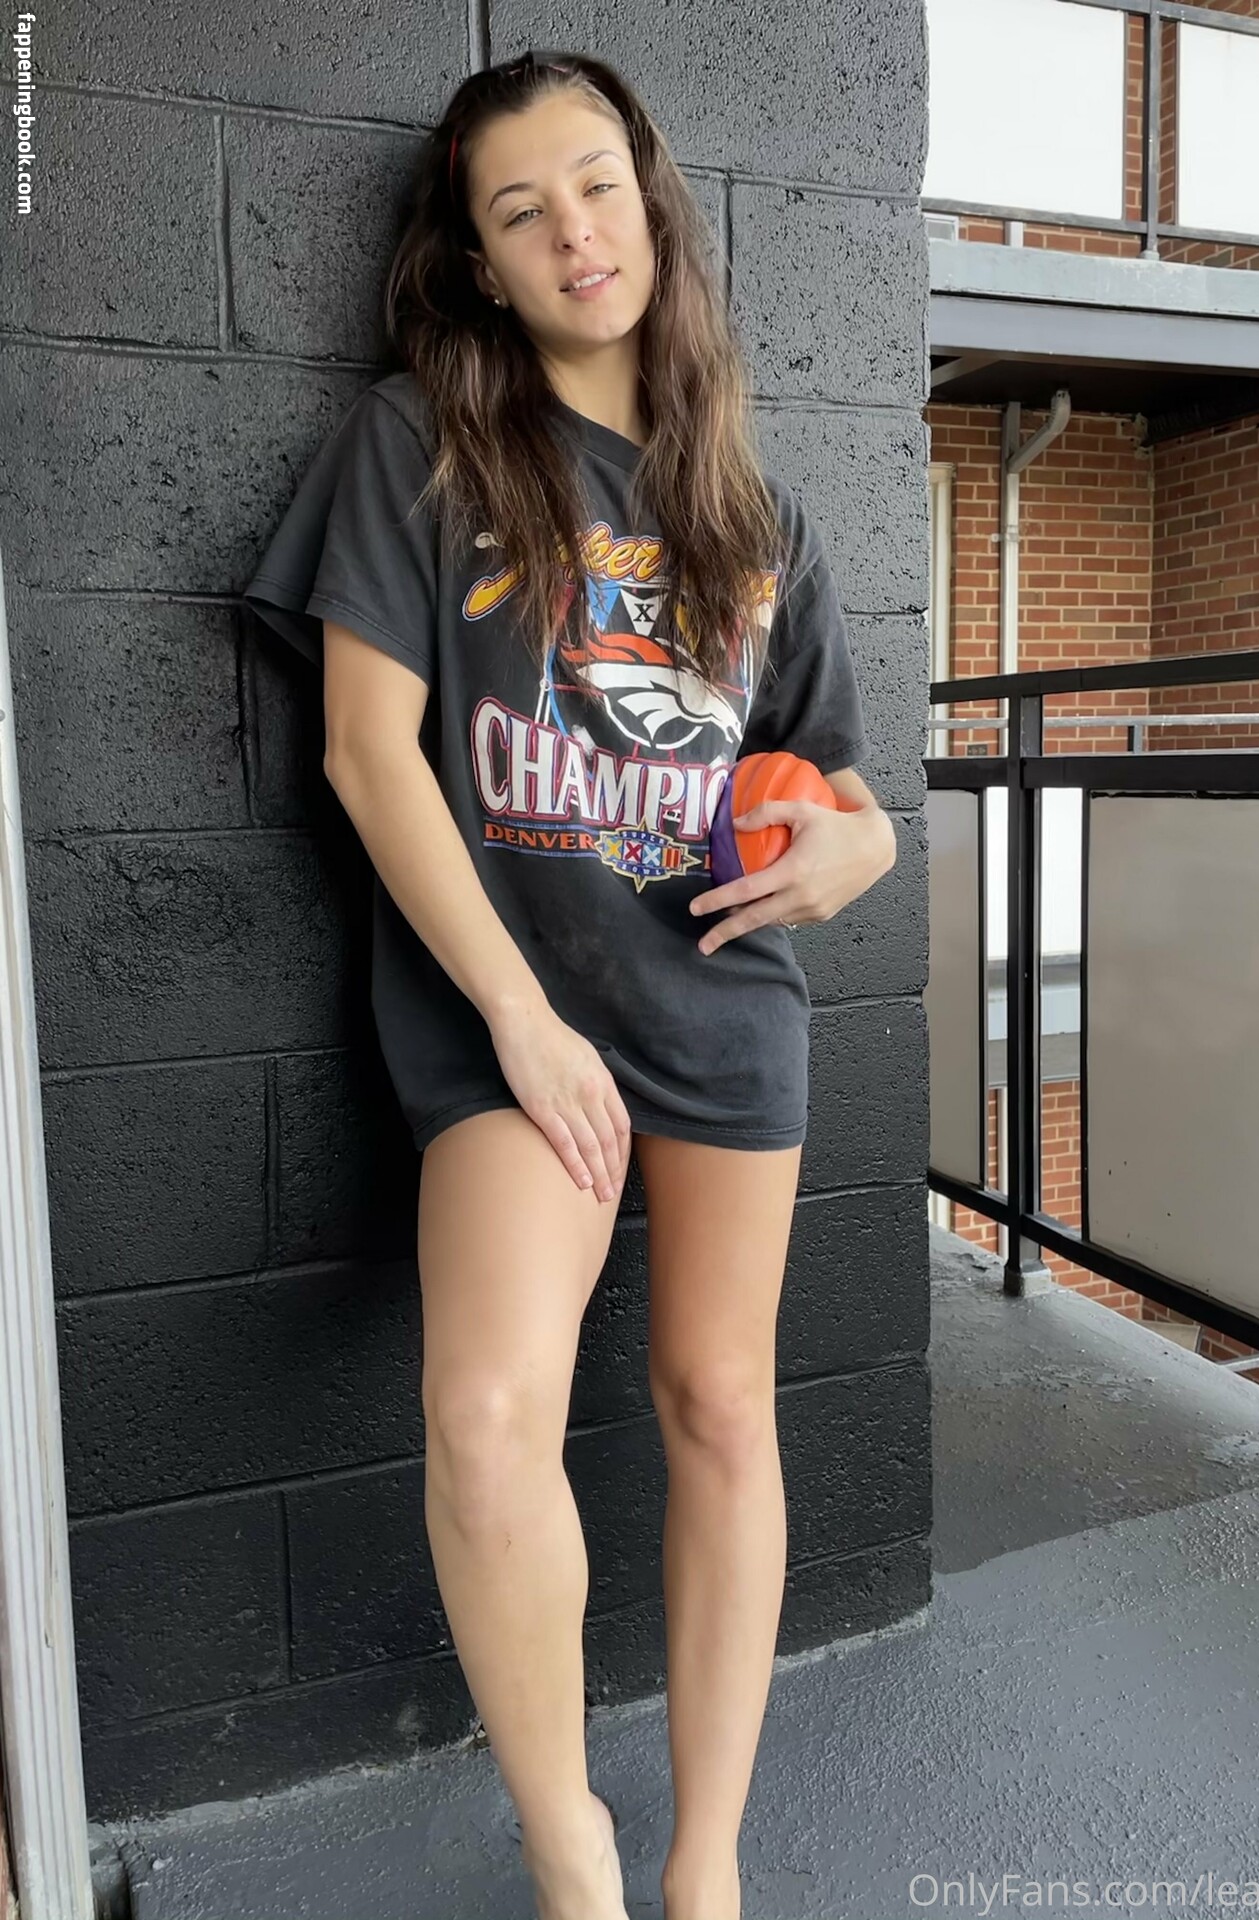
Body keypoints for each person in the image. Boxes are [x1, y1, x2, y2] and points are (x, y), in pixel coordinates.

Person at [242, 47, 896, 1920]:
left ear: (652, 202)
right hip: (510, 1018)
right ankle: (573, 1855)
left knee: (721, 1408)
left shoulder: (754, 515)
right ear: (480, 260)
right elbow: (367, 753)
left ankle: (708, 1865)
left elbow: (842, 795)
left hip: (723, 1013)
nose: (573, 233)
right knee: (483, 1421)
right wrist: (520, 1023)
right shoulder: (423, 447)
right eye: (520, 211)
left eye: (597, 185)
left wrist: (855, 854)